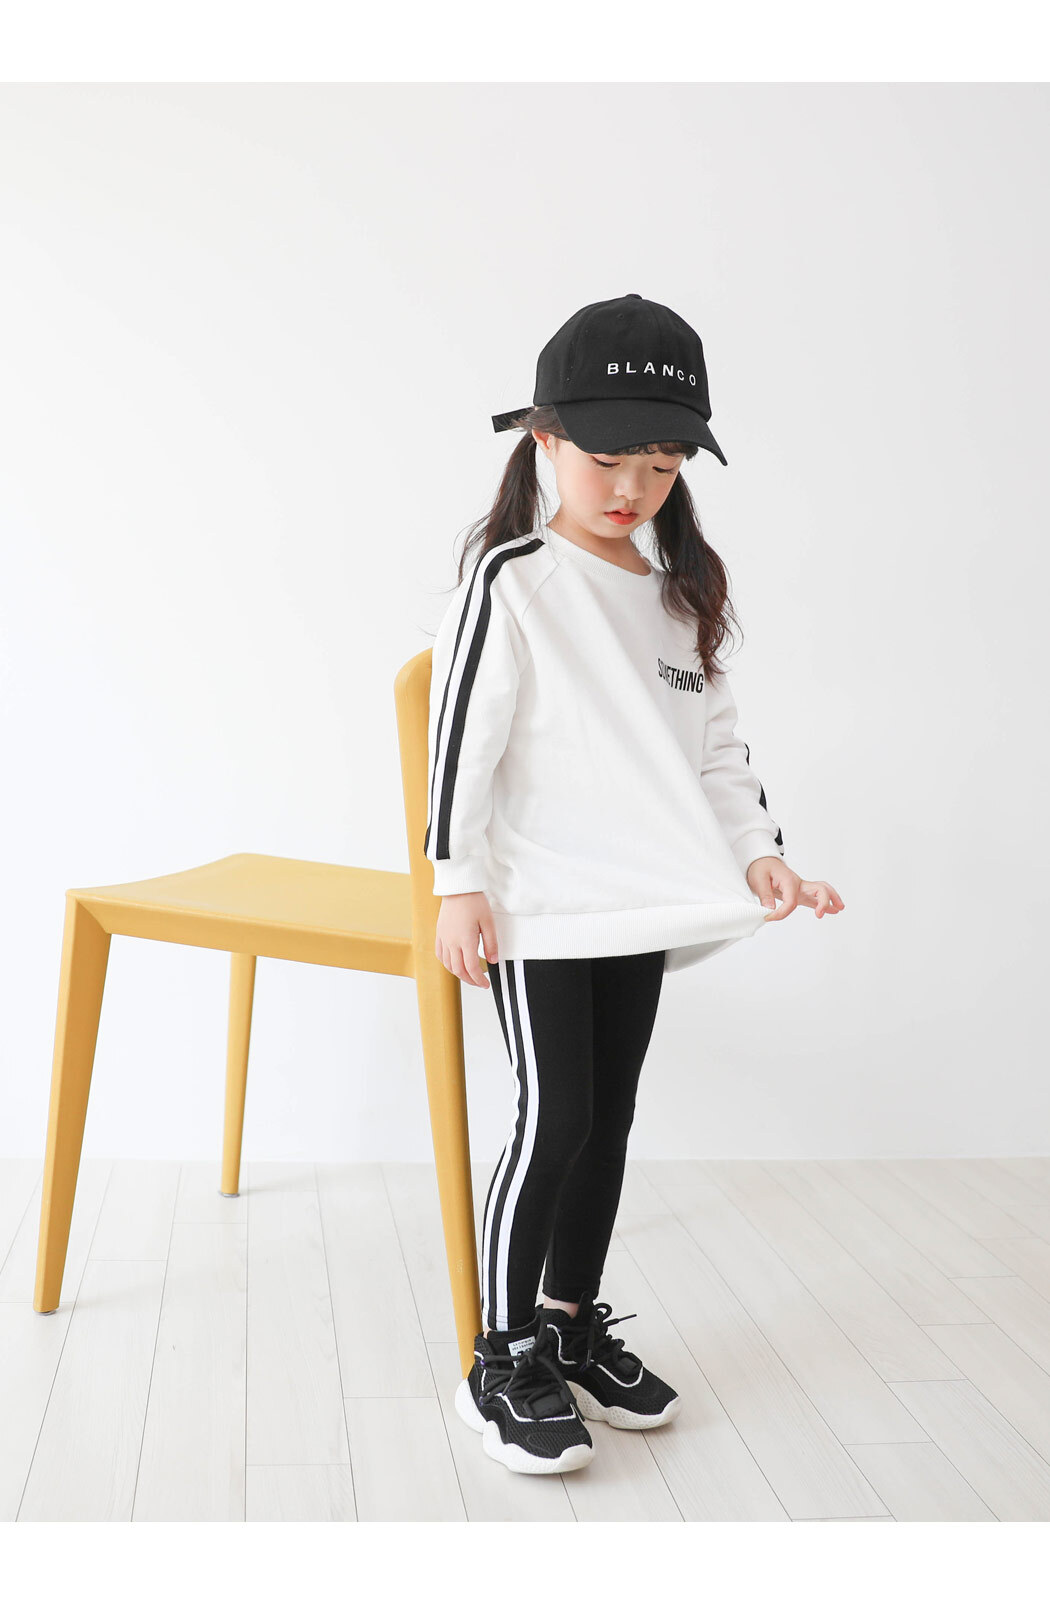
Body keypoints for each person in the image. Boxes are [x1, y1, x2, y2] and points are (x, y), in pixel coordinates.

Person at [423, 292, 844, 1476]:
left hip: (642, 903)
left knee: (607, 1122)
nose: (631, 487)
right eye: (608, 458)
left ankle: (566, 1329)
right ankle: (500, 1356)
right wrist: (458, 879)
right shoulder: (514, 579)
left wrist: (760, 852)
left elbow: (715, 753)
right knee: (552, 1118)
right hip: (542, 903)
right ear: (544, 439)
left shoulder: (673, 597)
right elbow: (460, 742)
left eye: (660, 465)